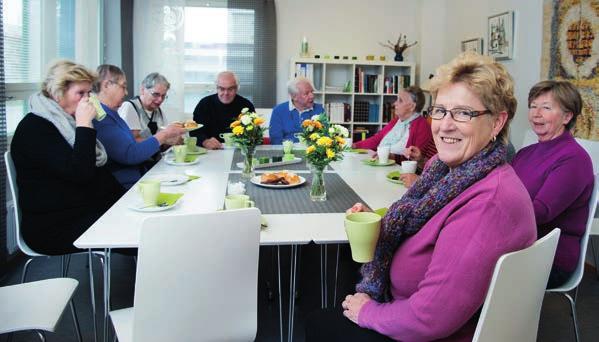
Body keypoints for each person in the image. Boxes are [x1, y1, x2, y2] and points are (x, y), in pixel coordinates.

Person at [305, 52, 537, 341]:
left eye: (464, 113)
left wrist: (367, 313)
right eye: (439, 110)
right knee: (340, 273)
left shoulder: (488, 203)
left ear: (497, 123)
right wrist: (380, 223)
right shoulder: (446, 171)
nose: (445, 125)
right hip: (406, 305)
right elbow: (423, 225)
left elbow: (428, 318)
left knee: (316, 320)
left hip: (427, 332)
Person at [10, 60, 125, 255]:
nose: (87, 100)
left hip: (80, 208)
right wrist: (84, 125)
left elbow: (96, 173)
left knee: (141, 220)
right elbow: (82, 173)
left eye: (89, 93)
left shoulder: (65, 123)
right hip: (53, 226)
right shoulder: (35, 127)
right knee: (139, 234)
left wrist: (125, 200)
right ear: (57, 93)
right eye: (80, 93)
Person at [512, 80, 594, 288]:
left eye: (546, 107)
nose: (535, 114)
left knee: (469, 268)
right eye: (533, 106)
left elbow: (540, 212)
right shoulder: (525, 153)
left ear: (567, 116)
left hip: (549, 258)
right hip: (517, 244)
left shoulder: (574, 159)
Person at [93, 65, 185, 189]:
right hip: (125, 186)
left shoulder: (112, 114)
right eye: (123, 87)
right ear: (106, 85)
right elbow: (131, 154)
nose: (126, 92)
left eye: (163, 96)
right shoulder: (101, 117)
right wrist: (164, 136)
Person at [352, 86, 436, 162]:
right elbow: (377, 139)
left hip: (397, 169)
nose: (394, 104)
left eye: (400, 100)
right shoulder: (397, 121)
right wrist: (355, 145)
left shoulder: (422, 126)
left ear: (412, 106)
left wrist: (390, 157)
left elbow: (415, 158)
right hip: (381, 161)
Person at [190, 71, 255, 149]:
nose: (226, 93)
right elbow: (194, 131)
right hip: (210, 152)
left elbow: (254, 134)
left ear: (237, 88)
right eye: (221, 89)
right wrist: (205, 141)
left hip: (238, 150)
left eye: (230, 89)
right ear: (216, 88)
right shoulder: (204, 104)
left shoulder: (246, 105)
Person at [118, 72, 180, 145]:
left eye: (163, 96)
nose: (160, 99)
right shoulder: (130, 107)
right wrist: (163, 139)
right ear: (143, 90)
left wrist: (173, 140)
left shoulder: (158, 111)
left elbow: (164, 141)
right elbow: (132, 141)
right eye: (156, 94)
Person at [269, 77, 324, 144]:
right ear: (294, 96)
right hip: (286, 152)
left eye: (312, 92)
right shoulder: (278, 111)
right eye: (306, 93)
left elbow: (324, 137)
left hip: (311, 153)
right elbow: (276, 141)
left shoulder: (319, 110)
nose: (312, 96)